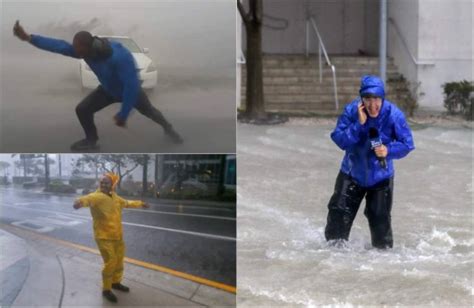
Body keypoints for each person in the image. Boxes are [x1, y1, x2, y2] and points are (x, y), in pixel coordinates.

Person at [13, 20, 183, 151]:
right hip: (108, 90)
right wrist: (29, 38)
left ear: (89, 47)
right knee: (82, 109)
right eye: (76, 51)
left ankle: (168, 128)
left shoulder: (119, 56)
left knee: (151, 112)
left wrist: (123, 114)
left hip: (129, 91)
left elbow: (131, 86)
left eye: (80, 51)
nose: (76, 54)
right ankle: (91, 140)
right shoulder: (82, 50)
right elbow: (58, 46)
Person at [324, 75, 415, 249]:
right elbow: (339, 140)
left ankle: (382, 263)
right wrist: (359, 124)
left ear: (382, 98)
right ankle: (331, 260)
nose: (372, 105)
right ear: (361, 99)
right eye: (367, 99)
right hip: (351, 173)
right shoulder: (351, 111)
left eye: (376, 99)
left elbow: (407, 144)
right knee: (338, 214)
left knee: (380, 220)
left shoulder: (394, 115)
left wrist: (388, 150)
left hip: (380, 176)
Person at [73, 173, 150, 303]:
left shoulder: (115, 197)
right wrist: (79, 202)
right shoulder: (97, 197)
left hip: (117, 236)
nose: (103, 184)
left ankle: (116, 282)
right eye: (102, 182)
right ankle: (106, 289)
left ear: (112, 185)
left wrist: (141, 203)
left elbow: (127, 203)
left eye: (106, 182)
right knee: (111, 262)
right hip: (103, 237)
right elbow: (87, 199)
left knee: (119, 261)